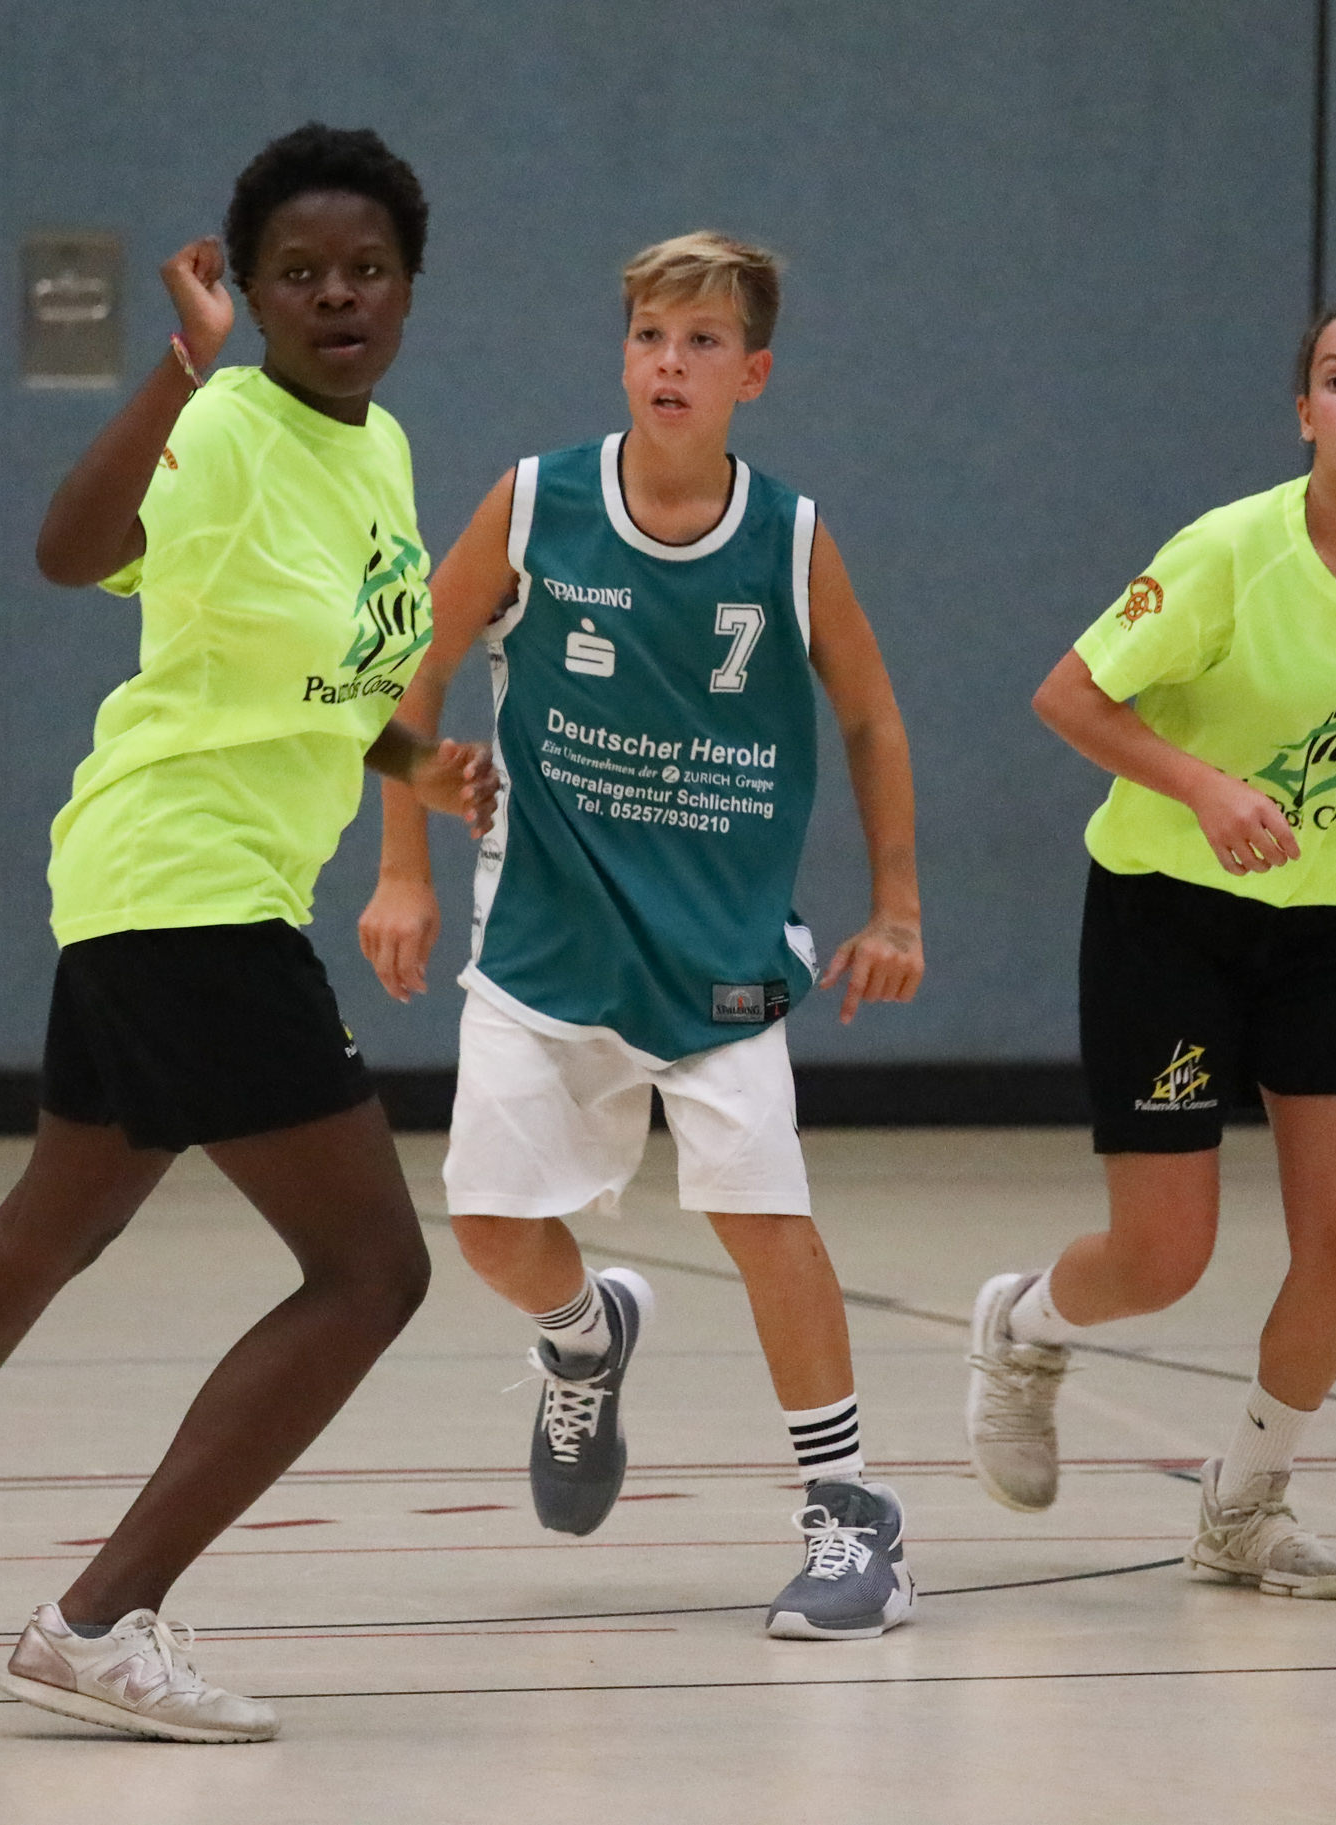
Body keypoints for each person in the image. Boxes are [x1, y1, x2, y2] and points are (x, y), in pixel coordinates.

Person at [0, 123, 492, 1745]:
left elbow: (317, 679)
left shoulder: (379, 451)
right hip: (187, 886)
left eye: (366, 269)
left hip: (167, 884)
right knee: (369, 1270)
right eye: (300, 271)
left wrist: (421, 766)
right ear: (250, 292)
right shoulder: (222, 425)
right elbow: (70, 550)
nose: (337, 294)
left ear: (409, 288)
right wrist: (176, 371)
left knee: (49, 1223)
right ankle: (97, 1618)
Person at [359, 231, 928, 1639]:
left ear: (753, 374)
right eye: (649, 338)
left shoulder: (789, 536)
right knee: (491, 1231)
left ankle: (852, 1512)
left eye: (701, 342)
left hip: (717, 944)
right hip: (545, 934)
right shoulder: (535, 501)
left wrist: (897, 906)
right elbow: (413, 669)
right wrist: (401, 869)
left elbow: (869, 716)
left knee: (763, 1218)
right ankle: (585, 1334)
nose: (669, 363)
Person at [963, 297, 1336, 1599]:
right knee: (1162, 1257)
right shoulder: (1227, 552)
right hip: (1166, 915)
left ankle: (1244, 1505)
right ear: (1305, 412)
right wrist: (1205, 787)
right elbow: (1068, 695)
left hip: (1324, 930)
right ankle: (1024, 1327)